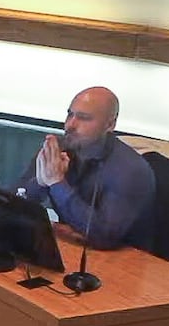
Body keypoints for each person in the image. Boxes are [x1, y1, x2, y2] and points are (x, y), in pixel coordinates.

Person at [13, 86, 155, 250]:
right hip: (74, 248)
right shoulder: (58, 149)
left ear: (110, 124)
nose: (70, 125)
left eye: (84, 118)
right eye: (70, 114)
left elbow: (104, 237)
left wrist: (57, 183)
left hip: (126, 263)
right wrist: (40, 181)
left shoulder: (131, 171)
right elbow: (11, 204)